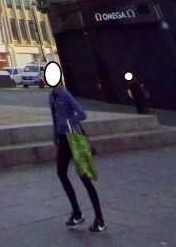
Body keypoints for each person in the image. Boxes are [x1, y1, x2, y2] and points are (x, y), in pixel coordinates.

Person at [44, 61, 107, 233]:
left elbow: (82, 113)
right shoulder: (52, 96)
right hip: (63, 140)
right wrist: (55, 138)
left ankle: (100, 219)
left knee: (85, 178)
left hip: (75, 138)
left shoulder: (65, 95)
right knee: (61, 173)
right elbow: (54, 119)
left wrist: (67, 123)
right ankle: (77, 213)